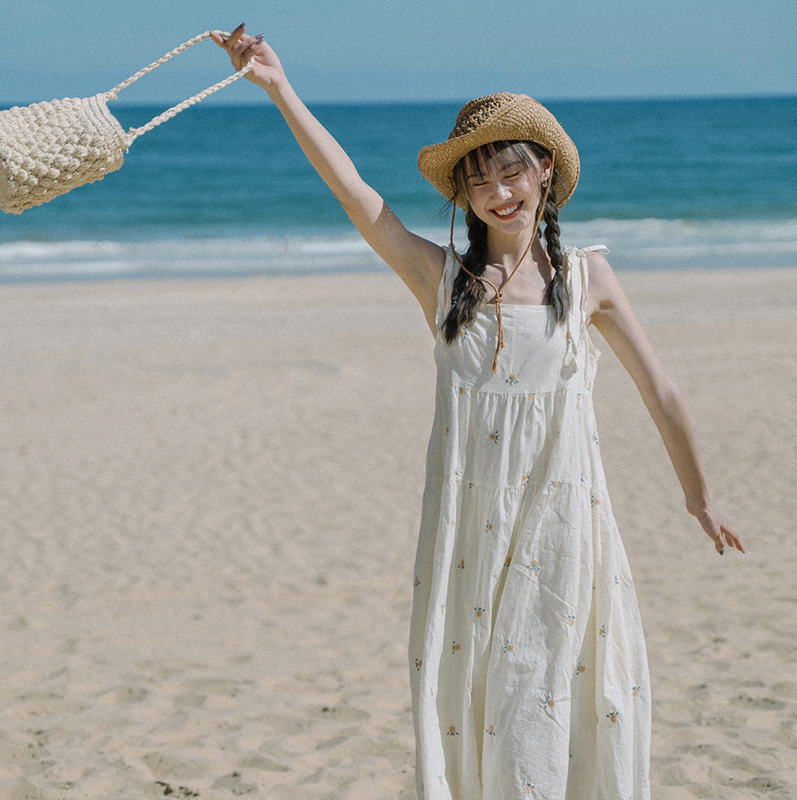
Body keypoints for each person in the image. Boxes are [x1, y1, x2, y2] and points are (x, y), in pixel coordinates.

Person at [211, 24, 744, 800]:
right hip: (467, 536)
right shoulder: (442, 281)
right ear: (462, 196)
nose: (499, 193)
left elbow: (661, 390)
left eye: (511, 172)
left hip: (564, 530)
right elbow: (359, 198)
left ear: (544, 172)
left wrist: (701, 496)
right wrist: (280, 88)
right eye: (480, 182)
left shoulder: (588, 277)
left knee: (551, 697)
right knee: (477, 705)